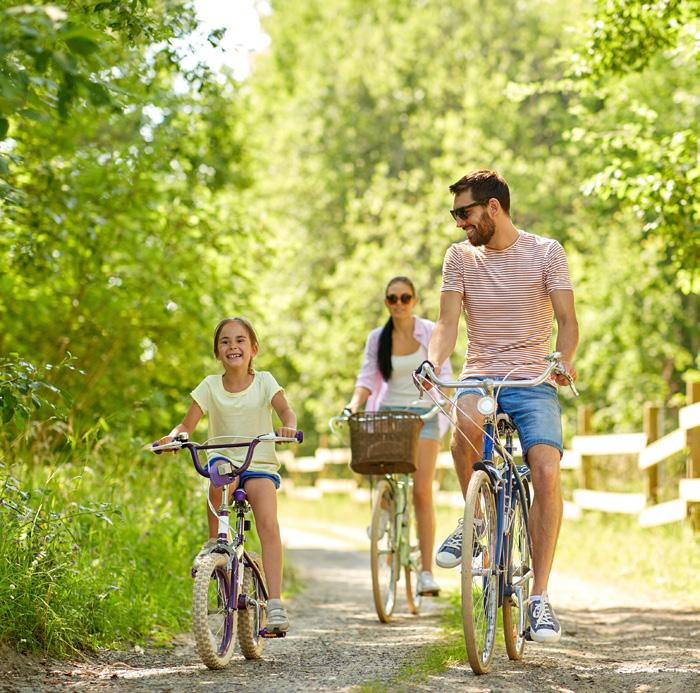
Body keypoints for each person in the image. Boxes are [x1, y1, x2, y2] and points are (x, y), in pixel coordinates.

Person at [424, 170, 579, 643]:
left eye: (464, 212)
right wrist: (433, 363)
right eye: (455, 214)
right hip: (481, 374)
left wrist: (562, 360)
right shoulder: (459, 257)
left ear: (494, 207)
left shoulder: (547, 252)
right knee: (463, 428)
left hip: (533, 379)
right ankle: (475, 520)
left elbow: (568, 320)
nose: (459, 223)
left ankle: (540, 598)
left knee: (546, 469)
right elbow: (447, 324)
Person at [155, 316, 298, 634]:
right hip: (224, 459)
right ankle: (215, 546)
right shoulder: (209, 386)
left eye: (240, 340)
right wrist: (174, 438)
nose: (233, 346)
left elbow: (286, 411)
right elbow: (186, 425)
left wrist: (288, 426)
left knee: (268, 522)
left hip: (258, 462)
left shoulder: (265, 382)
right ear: (217, 352)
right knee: (219, 479)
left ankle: (275, 603)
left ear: (254, 349)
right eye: (225, 342)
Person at [348, 276, 453, 597]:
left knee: (421, 491)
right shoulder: (378, 338)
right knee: (385, 474)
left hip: (424, 416)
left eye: (405, 298)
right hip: (389, 414)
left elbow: (445, 375)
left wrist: (445, 402)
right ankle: (384, 509)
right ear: (386, 303)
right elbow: (367, 377)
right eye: (392, 298)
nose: (399, 304)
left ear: (415, 300)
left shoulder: (430, 332)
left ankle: (426, 573)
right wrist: (354, 405)